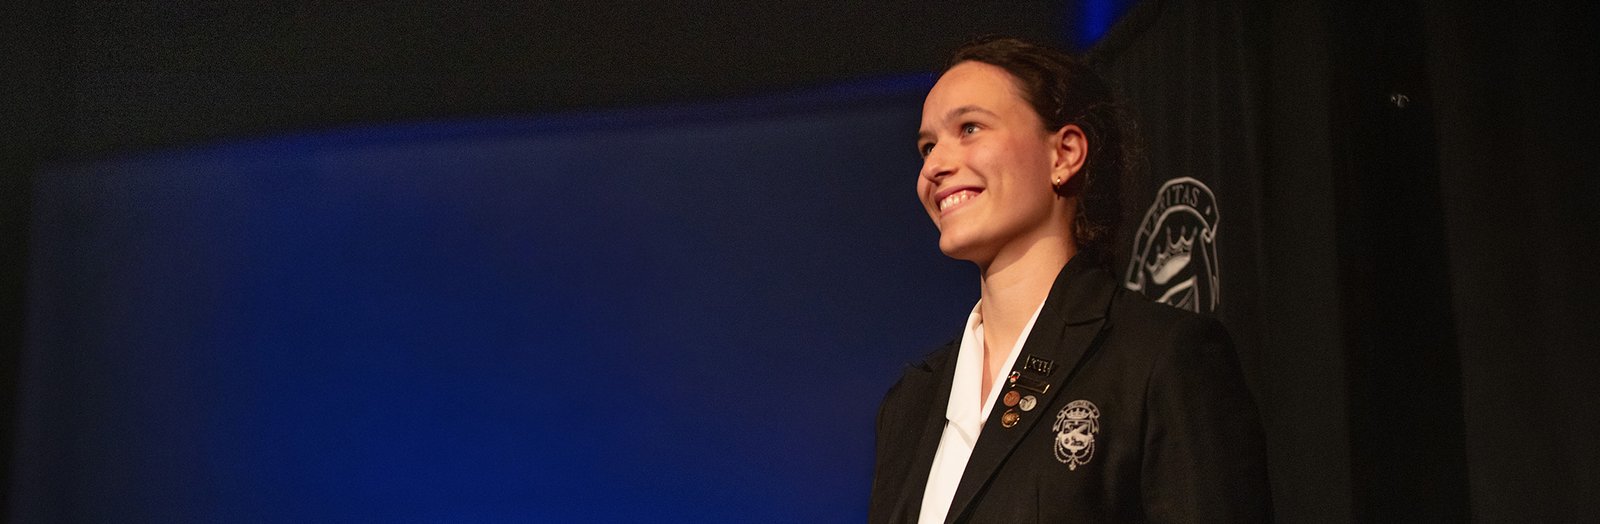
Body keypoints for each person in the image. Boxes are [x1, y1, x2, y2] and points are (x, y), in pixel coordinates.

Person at [868, 37, 1272, 523]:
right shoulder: (911, 403)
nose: (933, 166)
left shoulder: (1159, 357)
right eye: (927, 146)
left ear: (1064, 154)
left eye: (970, 128)